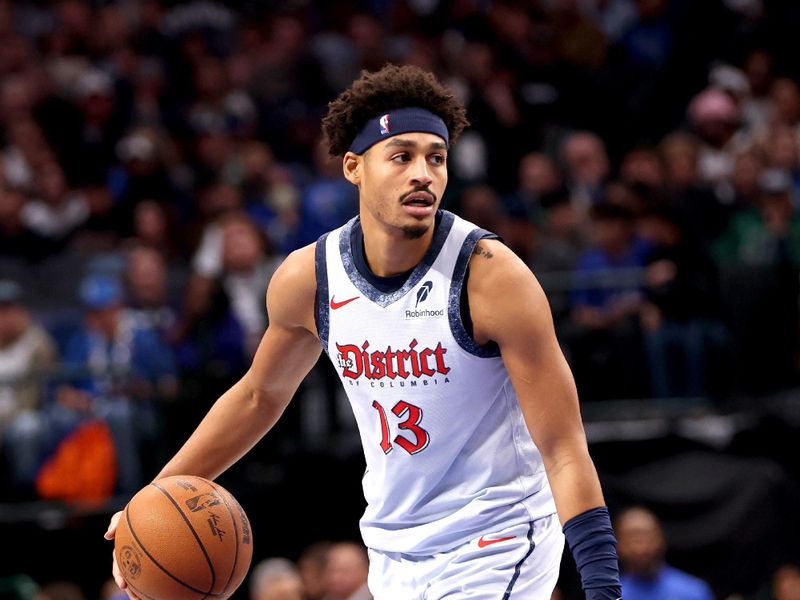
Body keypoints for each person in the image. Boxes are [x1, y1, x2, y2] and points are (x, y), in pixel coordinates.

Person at [106, 64, 621, 599]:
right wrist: (152, 497)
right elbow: (259, 396)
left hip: (497, 538)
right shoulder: (309, 277)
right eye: (402, 156)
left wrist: (603, 587)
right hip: (393, 550)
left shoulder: (491, 275)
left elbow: (563, 446)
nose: (423, 172)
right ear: (354, 167)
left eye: (436, 158)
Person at [616, 506, 714, 600]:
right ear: (617, 545)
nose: (639, 548)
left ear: (661, 539)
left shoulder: (693, 591)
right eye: (631, 539)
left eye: (646, 537)